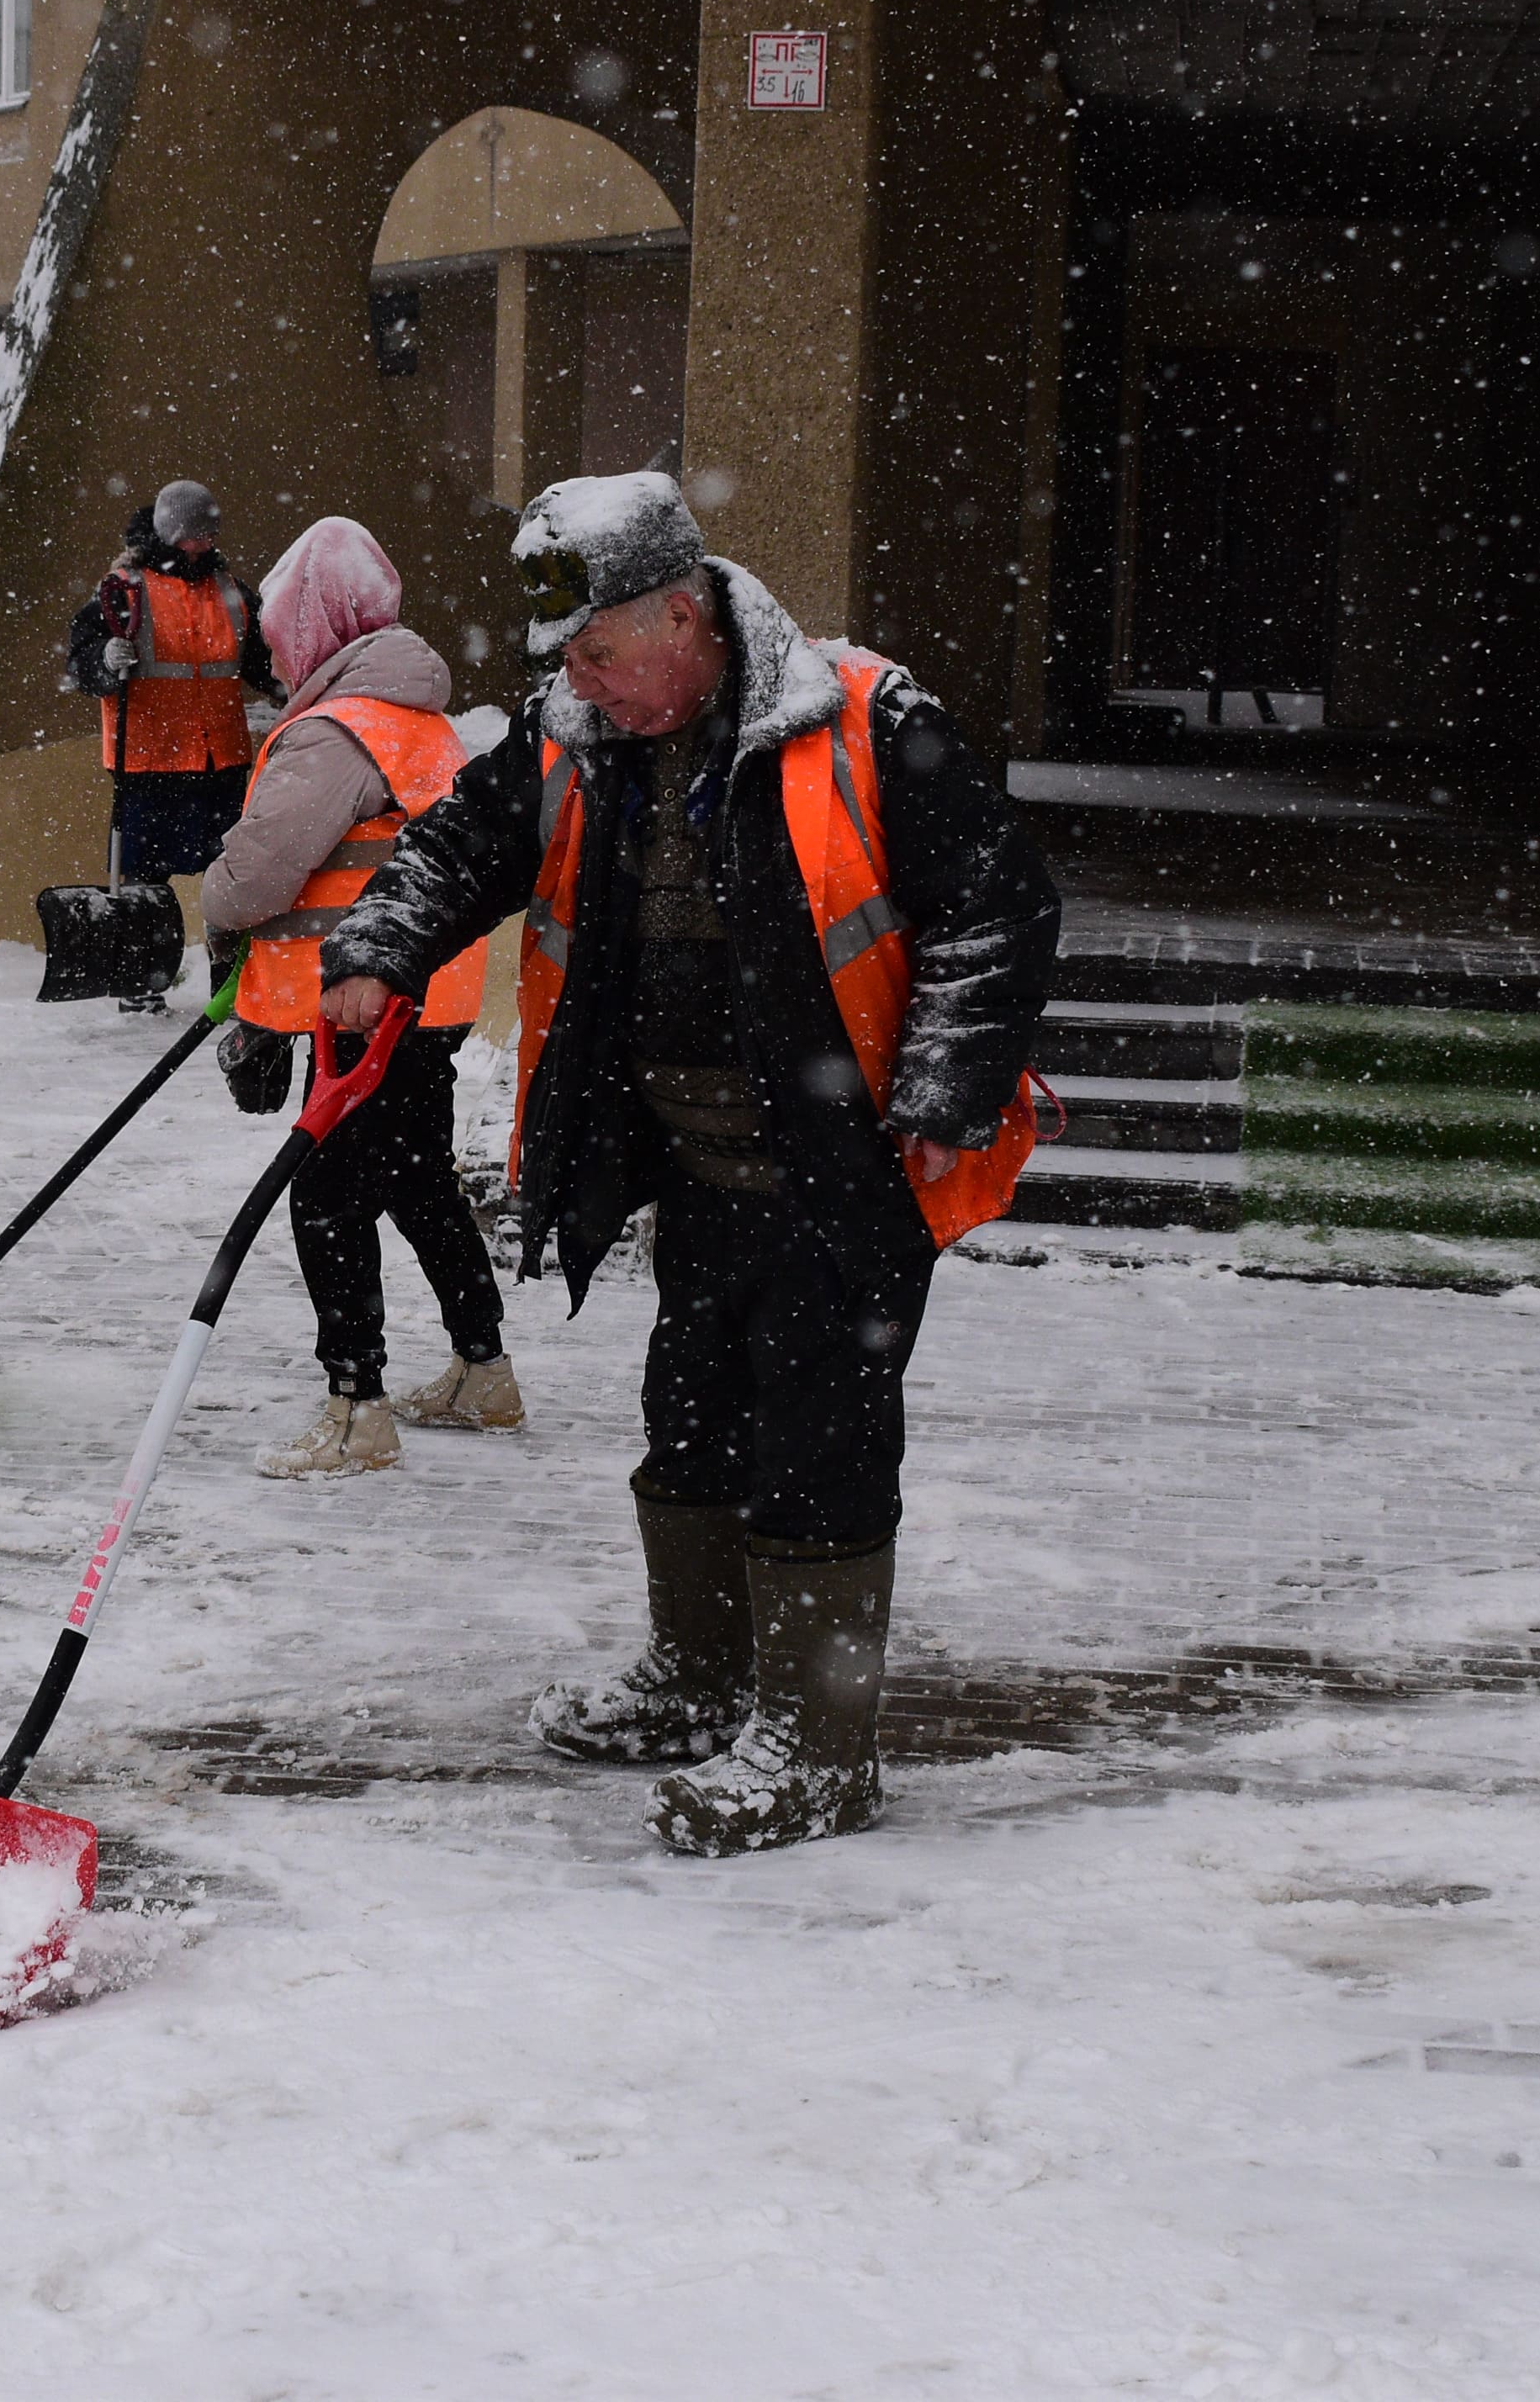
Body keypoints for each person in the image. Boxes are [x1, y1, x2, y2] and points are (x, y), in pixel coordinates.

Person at [315, 471, 1064, 1854]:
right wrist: (374, 950)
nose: (583, 683)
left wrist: (946, 1084)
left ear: (679, 613)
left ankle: (820, 1747)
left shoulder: (864, 720)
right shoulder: (575, 739)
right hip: (694, 1166)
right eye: (567, 663)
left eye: (601, 653)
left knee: (817, 1443)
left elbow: (999, 905)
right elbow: (456, 848)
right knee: (692, 1413)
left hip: (847, 1173)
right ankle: (701, 1678)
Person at [198, 516, 521, 1478]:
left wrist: (217, 913)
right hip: (429, 994)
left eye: (279, 624)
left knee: (328, 1194)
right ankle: (482, 1367)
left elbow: (256, 875)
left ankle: (354, 1407)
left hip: (352, 1005)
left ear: (312, 626)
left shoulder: (335, 732)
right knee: (416, 1178)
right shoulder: (421, 723)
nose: (269, 644)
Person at [62, 479, 279, 1004]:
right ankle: (140, 986)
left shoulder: (230, 589)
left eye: (211, 532)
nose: (205, 543)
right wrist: (104, 662)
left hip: (219, 759)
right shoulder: (124, 588)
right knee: (143, 881)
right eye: (194, 534)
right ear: (169, 533)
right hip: (147, 759)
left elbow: (258, 658)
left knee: (231, 880)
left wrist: (285, 688)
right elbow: (82, 663)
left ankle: (231, 989)